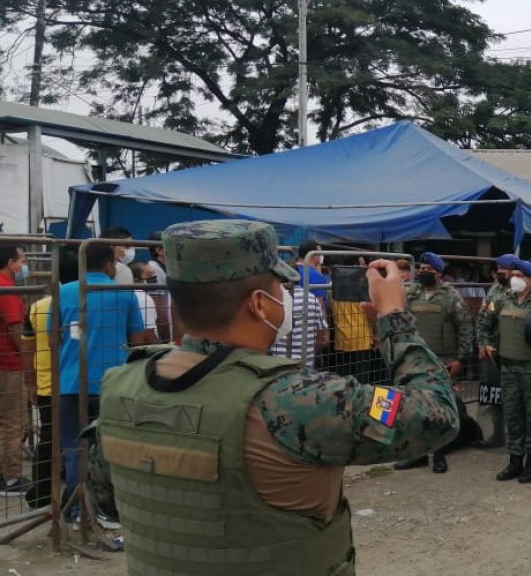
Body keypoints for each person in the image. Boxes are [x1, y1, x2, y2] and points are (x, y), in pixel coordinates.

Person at [93, 219, 459, 575]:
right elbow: (438, 414)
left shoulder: (121, 387)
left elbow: (107, 498)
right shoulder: (300, 400)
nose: (286, 293)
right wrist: (393, 315)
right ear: (259, 304)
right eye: (280, 285)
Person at [57, 242, 154, 517]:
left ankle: (77, 512)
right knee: (112, 449)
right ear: (110, 264)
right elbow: (137, 340)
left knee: (74, 449)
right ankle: (107, 511)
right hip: (112, 383)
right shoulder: (123, 293)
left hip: (70, 382)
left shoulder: (63, 292)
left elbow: (55, 337)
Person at [478, 259, 531, 483]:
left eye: (520, 275)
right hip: (508, 368)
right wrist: (485, 343)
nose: (514, 278)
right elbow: (484, 322)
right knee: (513, 417)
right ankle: (514, 461)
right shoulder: (501, 299)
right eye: (513, 274)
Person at [396, 252, 472, 474]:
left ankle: (440, 455)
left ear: (439, 273)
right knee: (413, 408)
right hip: (415, 358)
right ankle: (417, 455)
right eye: (421, 268)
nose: (423, 272)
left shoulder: (451, 296)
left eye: (429, 269)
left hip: (443, 360)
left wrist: (460, 359)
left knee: (440, 409)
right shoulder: (411, 293)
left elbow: (465, 328)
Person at [21, 248, 78, 507]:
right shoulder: (86, 302)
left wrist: (31, 382)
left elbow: (28, 348)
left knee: (48, 439)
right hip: (79, 382)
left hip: (47, 384)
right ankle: (77, 493)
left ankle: (41, 493)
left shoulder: (38, 307)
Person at [475, 254, 516, 449]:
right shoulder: (494, 292)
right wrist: (483, 344)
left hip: (516, 353)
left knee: (516, 397)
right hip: (494, 353)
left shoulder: (523, 292)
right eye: (499, 268)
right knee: (494, 396)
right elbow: (483, 322)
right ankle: (497, 435)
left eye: (505, 268)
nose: (501, 271)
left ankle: (518, 437)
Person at [0, 246, 32, 496]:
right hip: (9, 364)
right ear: (11, 262)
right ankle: (11, 477)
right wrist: (28, 361)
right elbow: (15, 329)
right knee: (13, 421)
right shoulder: (8, 289)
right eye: (22, 261)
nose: (24, 266)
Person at [269, 272, 330, 370]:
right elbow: (320, 331)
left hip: (278, 364)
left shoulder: (273, 299)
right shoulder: (311, 298)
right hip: (305, 362)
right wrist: (313, 352)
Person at [127, 261, 166, 342]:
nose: (153, 277)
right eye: (148, 274)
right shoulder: (143, 298)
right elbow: (149, 332)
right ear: (136, 280)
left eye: (153, 273)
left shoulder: (129, 294)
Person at [294, 240, 331, 305]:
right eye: (320, 253)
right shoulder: (315, 276)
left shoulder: (292, 269)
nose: (321, 256)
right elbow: (319, 304)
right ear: (314, 255)